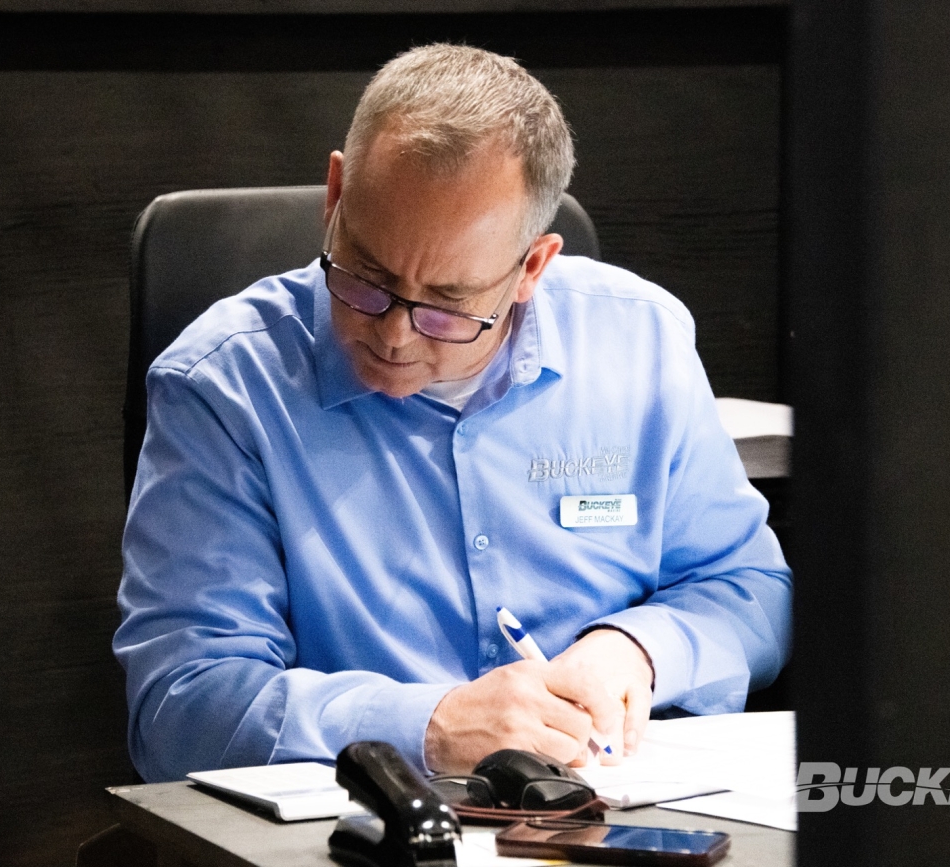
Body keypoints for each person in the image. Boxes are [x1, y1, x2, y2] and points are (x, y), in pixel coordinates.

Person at [114, 43, 791, 783]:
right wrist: (428, 726)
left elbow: (750, 588)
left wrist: (636, 649)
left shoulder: (639, 340)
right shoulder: (225, 387)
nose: (394, 332)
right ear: (336, 193)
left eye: (446, 303)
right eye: (366, 276)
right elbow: (180, 709)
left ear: (533, 266)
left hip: (616, 810)